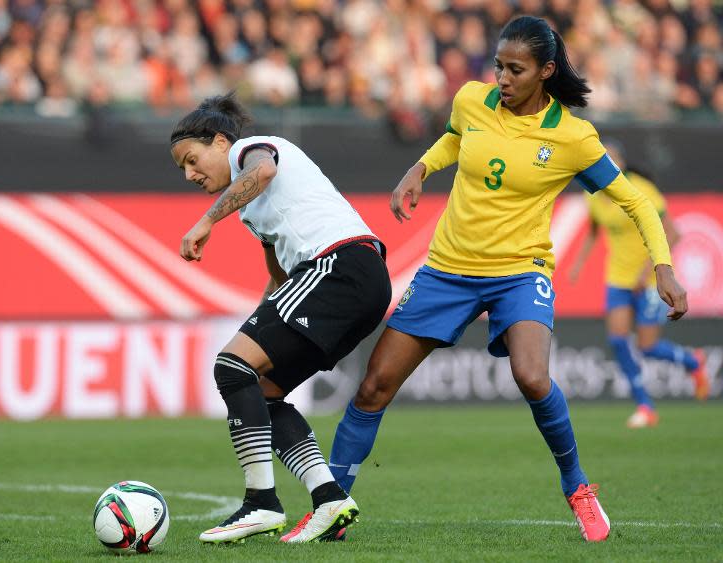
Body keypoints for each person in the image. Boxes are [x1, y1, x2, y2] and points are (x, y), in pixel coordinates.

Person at [324, 16, 689, 543]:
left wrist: (663, 266)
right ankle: (330, 504)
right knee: (375, 386)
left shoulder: (572, 137)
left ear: (545, 71)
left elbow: (635, 202)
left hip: (520, 272)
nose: (502, 78)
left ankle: (578, 486)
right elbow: (455, 139)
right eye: (498, 66)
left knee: (533, 377)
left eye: (515, 70)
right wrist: (420, 169)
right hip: (447, 269)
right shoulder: (472, 100)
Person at [171, 93, 391, 544]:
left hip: (339, 266)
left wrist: (207, 222)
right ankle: (328, 497)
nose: (190, 174)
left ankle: (261, 503)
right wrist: (255, 326)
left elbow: (262, 170)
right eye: (183, 170)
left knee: (230, 367)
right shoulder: (253, 209)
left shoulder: (252, 151)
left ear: (218, 141)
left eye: (192, 160)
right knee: (264, 391)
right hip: (351, 279)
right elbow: (280, 279)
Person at [569, 139, 708, 428]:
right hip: (617, 278)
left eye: (611, 158)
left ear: (621, 162)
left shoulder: (642, 190)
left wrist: (648, 272)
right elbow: (595, 230)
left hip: (649, 282)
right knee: (618, 340)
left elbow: (673, 233)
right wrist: (579, 263)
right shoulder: (593, 194)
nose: (605, 164)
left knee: (647, 346)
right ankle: (645, 406)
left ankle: (692, 361)